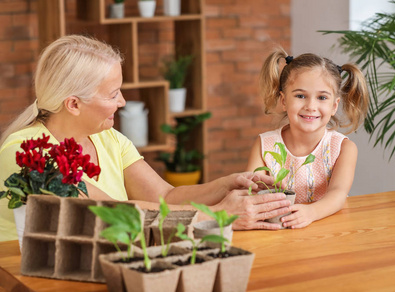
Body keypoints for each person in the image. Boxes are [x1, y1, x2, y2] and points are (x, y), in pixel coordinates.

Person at [0, 35, 290, 241]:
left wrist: (227, 183)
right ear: (74, 104)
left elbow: (165, 197)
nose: (123, 102)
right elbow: (114, 213)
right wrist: (217, 215)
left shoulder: (107, 138)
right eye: (113, 94)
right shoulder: (28, 152)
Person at [246, 48, 369, 229]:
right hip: (277, 230)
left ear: (334, 105)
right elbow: (251, 191)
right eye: (300, 96)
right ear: (284, 100)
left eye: (322, 97)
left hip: (327, 230)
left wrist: (311, 213)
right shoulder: (264, 145)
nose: (311, 106)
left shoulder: (343, 148)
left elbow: (338, 193)